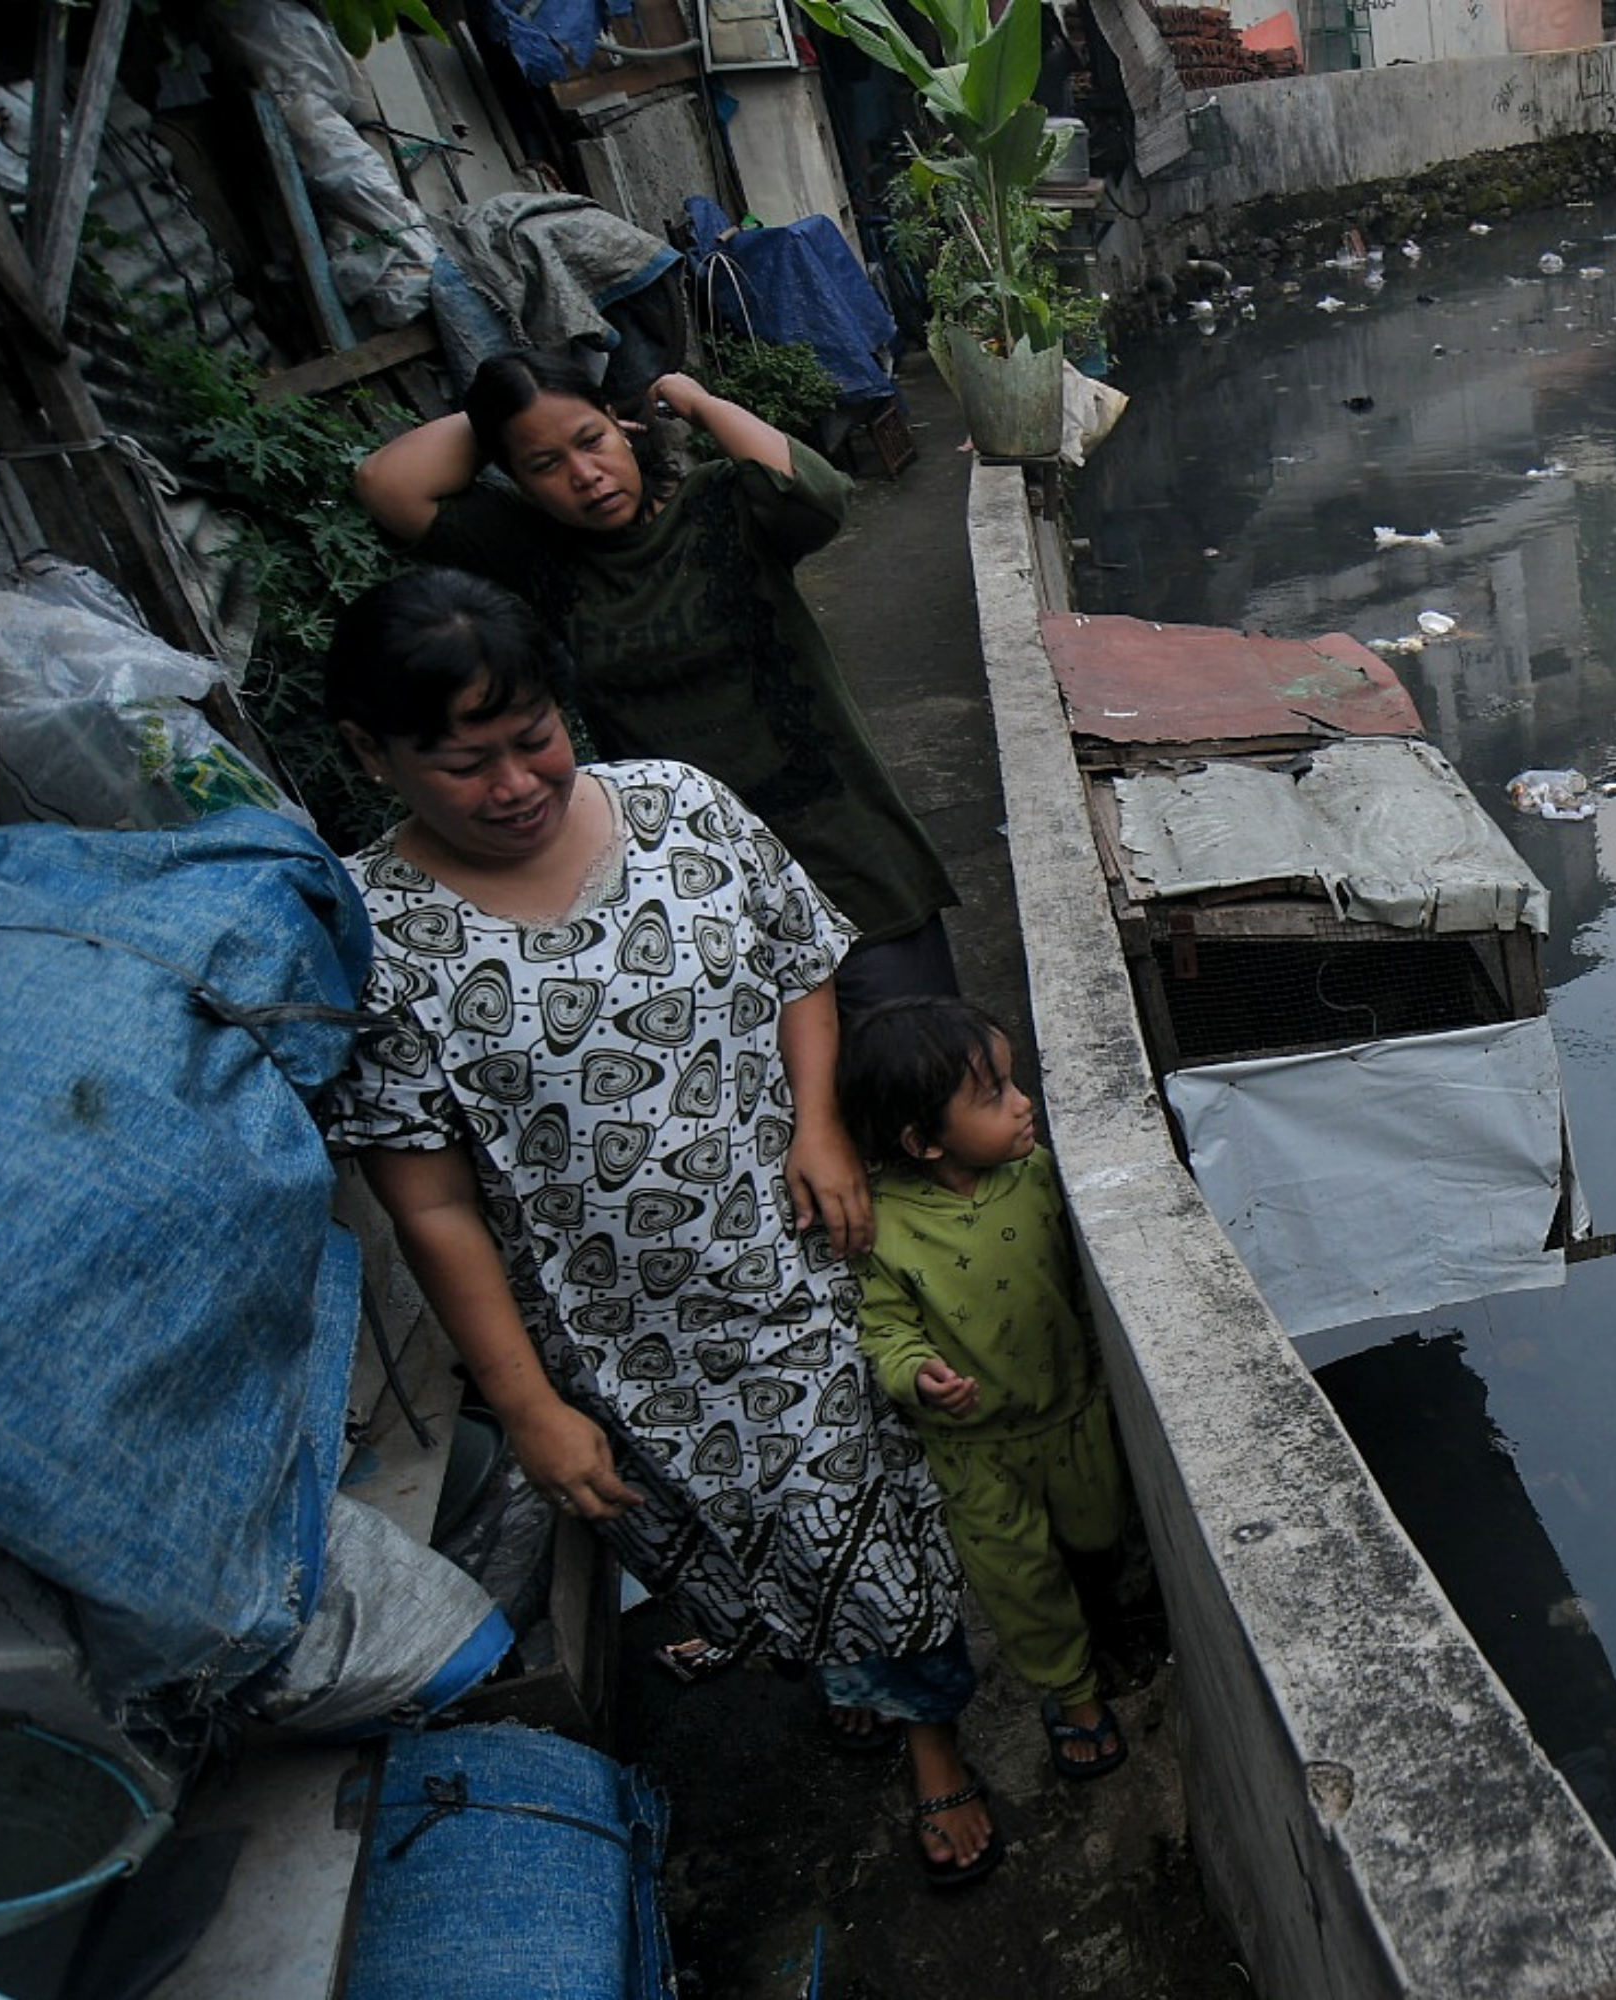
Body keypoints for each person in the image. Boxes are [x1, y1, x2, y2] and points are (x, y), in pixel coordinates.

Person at [318, 568, 999, 1886]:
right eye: (464, 763)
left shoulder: (685, 810)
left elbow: (801, 963)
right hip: (615, 1349)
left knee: (859, 1510)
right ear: (372, 754)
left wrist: (816, 1123)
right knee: (725, 1548)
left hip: (789, 1274)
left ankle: (932, 1745)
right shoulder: (380, 936)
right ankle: (837, 1664)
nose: (515, 784)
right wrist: (528, 1409)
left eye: (534, 739)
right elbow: (433, 1202)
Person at [350, 349, 958, 1013]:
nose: (585, 476)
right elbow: (388, 483)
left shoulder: (720, 507)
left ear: (623, 426)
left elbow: (815, 493)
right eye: (545, 464)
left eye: (592, 440)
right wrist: (505, 407)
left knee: (926, 1077)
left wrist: (692, 399)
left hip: (847, 856)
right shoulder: (533, 558)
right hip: (696, 889)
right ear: (516, 479)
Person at [839, 996, 1143, 1780]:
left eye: (1014, 1083)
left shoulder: (1038, 1174)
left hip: (1075, 1412)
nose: (1024, 1103)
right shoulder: (885, 1228)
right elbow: (882, 1328)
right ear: (921, 1141)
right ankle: (1073, 1695)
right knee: (1022, 1584)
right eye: (995, 1096)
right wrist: (918, 1375)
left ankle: (1109, 1621)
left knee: (1099, 1533)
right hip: (978, 1453)